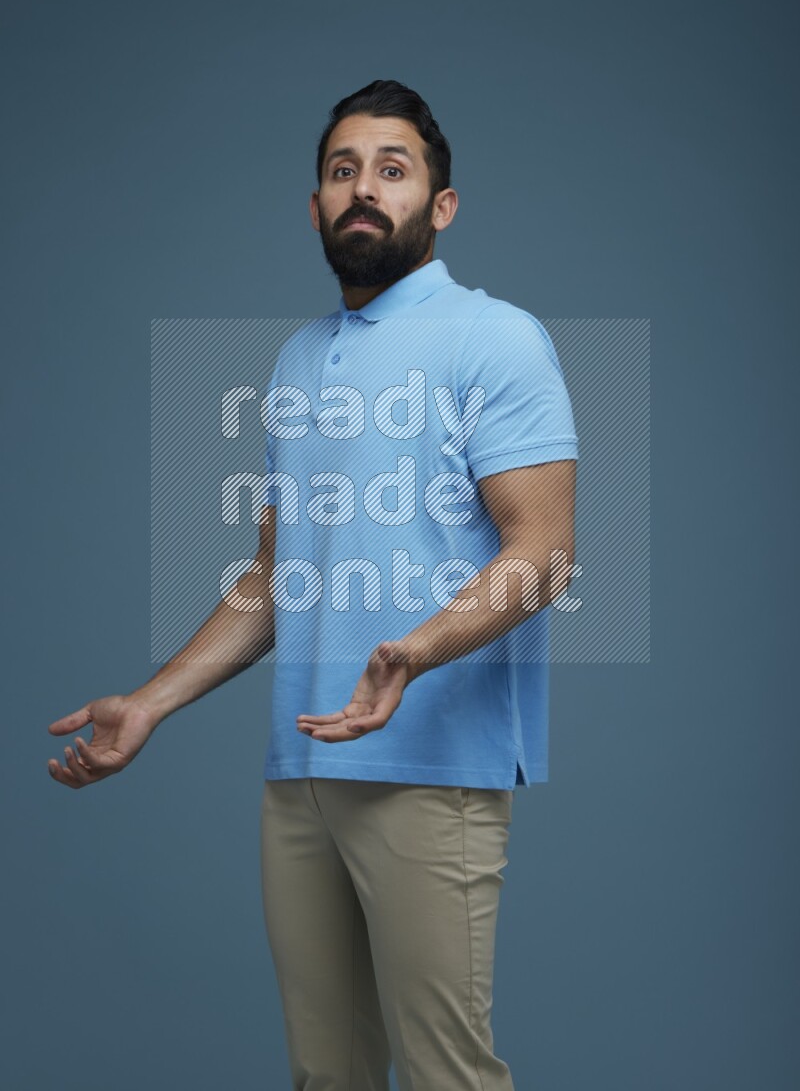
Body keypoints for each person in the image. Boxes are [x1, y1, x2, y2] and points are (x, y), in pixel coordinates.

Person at [47, 79, 579, 1091]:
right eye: (343, 170)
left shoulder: (494, 337)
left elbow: (545, 551)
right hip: (299, 772)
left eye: (392, 169)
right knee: (324, 1073)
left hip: (431, 766)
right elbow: (273, 577)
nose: (363, 188)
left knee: (446, 1076)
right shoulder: (297, 360)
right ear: (315, 205)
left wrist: (412, 651)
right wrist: (150, 703)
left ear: (441, 204)